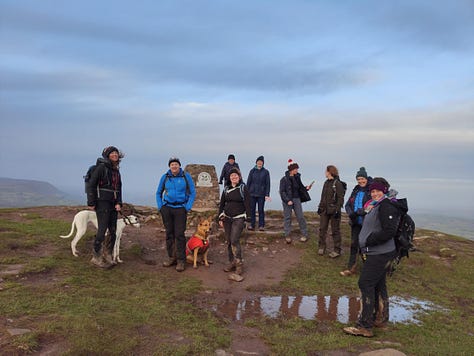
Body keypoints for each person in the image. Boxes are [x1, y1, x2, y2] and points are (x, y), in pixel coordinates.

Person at [343, 179, 407, 337]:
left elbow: (389, 231)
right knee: (378, 285)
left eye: (378, 191)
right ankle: (381, 318)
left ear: (384, 191)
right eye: (372, 191)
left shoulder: (386, 205)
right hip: (377, 252)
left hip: (380, 252)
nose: (375, 193)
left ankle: (365, 325)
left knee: (365, 283)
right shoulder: (377, 204)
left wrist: (370, 240)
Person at [156, 157, 196, 272]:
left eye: (176, 164)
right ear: (169, 166)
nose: (174, 166)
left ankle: (181, 260)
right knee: (169, 234)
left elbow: (193, 192)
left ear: (179, 166)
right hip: (167, 208)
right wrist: (160, 206)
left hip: (180, 209)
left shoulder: (185, 176)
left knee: (179, 234)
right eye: (172, 164)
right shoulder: (165, 177)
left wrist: (187, 206)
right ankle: (171, 257)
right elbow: (158, 192)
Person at [86, 146, 123, 268]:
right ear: (106, 155)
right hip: (102, 203)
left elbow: (119, 188)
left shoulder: (116, 171)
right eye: (112, 153)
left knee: (113, 231)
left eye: (116, 153)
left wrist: (119, 202)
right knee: (102, 231)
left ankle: (108, 254)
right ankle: (96, 257)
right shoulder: (101, 168)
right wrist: (91, 202)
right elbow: (92, 185)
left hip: (113, 204)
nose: (114, 155)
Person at [218, 168, 251, 276]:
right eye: (232, 176)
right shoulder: (226, 189)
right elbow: (222, 203)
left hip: (239, 217)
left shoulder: (243, 188)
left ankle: (239, 264)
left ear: (239, 177)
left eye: (236, 176)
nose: (234, 177)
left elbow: (247, 202)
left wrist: (249, 217)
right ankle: (231, 262)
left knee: (234, 240)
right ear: (229, 178)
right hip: (227, 218)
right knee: (228, 240)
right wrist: (220, 217)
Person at [340, 167, 372, 276]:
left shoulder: (371, 191)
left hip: (367, 223)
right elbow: (348, 204)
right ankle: (351, 267)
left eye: (362, 178)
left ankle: (368, 269)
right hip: (355, 222)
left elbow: (371, 206)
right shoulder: (356, 190)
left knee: (365, 245)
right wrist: (350, 213)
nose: (360, 181)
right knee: (354, 244)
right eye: (358, 179)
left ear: (366, 178)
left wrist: (358, 212)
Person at [279, 159, 313, 244]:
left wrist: (306, 188)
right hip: (288, 201)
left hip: (297, 199)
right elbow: (282, 192)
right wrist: (288, 201)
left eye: (297, 169)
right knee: (287, 218)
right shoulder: (283, 179)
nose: (297, 170)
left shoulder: (297, 178)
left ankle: (304, 234)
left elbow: (300, 188)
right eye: (296, 169)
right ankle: (287, 235)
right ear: (291, 169)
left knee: (300, 217)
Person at [317, 165, 346, 258]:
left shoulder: (338, 183)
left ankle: (337, 250)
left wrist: (337, 210)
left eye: (326, 171)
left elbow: (340, 198)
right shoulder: (326, 183)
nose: (325, 172)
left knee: (335, 230)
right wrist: (320, 207)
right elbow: (323, 197)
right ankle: (321, 247)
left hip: (334, 211)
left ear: (329, 172)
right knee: (322, 229)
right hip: (324, 210)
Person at [246, 155, 271, 231]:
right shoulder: (252, 171)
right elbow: (248, 182)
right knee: (252, 210)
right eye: (258, 162)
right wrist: (247, 193)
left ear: (263, 163)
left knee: (261, 210)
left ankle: (261, 225)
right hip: (252, 194)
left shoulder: (266, 172)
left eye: (261, 162)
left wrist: (267, 195)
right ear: (256, 162)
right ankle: (252, 225)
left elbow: (268, 184)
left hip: (261, 194)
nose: (259, 163)